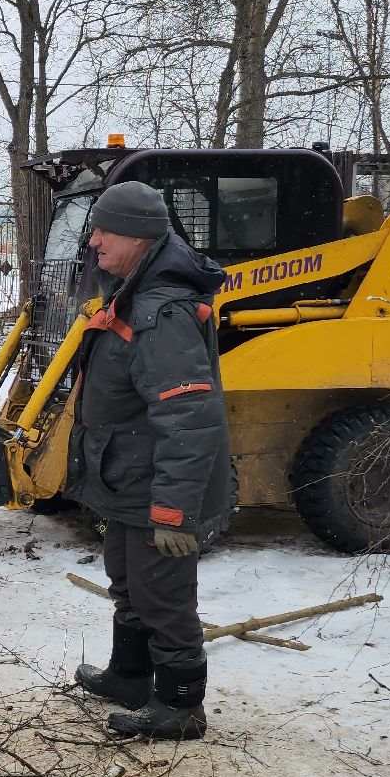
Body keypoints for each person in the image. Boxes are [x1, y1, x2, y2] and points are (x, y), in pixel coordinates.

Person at [67, 181, 231, 741]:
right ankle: (131, 677)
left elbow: (188, 417)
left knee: (163, 595)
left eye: (103, 231)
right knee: (128, 582)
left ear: (137, 236)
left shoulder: (162, 312)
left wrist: (174, 511)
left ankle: (181, 705)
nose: (93, 241)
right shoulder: (133, 291)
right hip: (127, 478)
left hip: (156, 486)